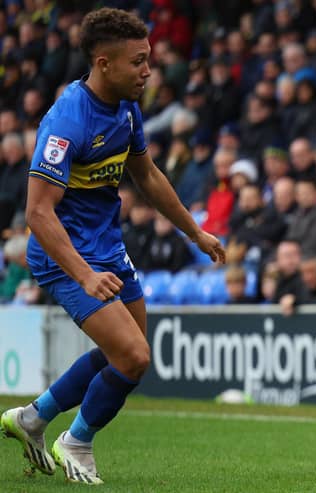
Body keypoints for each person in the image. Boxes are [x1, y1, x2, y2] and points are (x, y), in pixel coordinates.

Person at [0, 8, 225, 485]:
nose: (148, 71)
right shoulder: (67, 121)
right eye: (138, 62)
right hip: (64, 255)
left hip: (106, 247)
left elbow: (146, 174)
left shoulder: (126, 105)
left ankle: (34, 419)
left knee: (126, 354)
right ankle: (75, 441)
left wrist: (195, 232)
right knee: (134, 357)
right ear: (103, 63)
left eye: (149, 61)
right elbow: (38, 214)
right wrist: (83, 273)